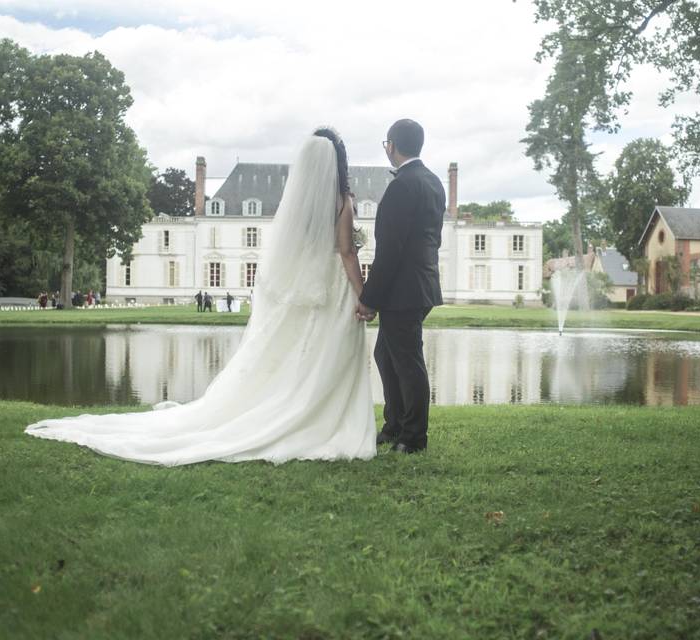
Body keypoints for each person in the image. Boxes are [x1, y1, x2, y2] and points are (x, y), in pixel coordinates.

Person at [26, 128, 376, 464]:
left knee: (301, 356)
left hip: (303, 291)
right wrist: (364, 295)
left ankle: (298, 412)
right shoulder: (342, 201)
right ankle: (324, 419)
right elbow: (346, 253)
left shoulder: (299, 204)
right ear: (337, 162)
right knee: (329, 357)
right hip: (332, 290)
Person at [358, 119, 445, 454]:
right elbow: (432, 239)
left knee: (407, 361)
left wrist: (370, 298)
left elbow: (390, 248)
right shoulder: (434, 182)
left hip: (404, 289)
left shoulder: (401, 186)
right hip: (421, 284)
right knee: (386, 354)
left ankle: (413, 437)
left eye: (386, 145)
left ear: (391, 146)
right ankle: (394, 425)